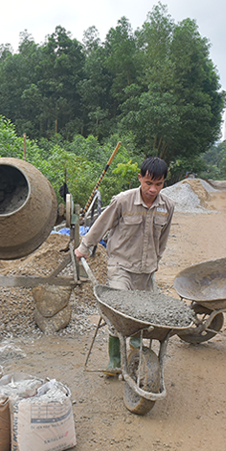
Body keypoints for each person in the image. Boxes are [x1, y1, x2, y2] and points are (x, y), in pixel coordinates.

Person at [76, 156, 174, 376]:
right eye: (148, 183)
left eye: (158, 185)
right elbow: (101, 225)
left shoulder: (167, 206)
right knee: (119, 311)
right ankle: (115, 360)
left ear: (164, 183)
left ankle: (136, 349)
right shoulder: (123, 201)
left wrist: (156, 260)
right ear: (140, 178)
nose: (152, 189)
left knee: (143, 314)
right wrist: (84, 247)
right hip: (121, 267)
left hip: (146, 270)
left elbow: (163, 238)